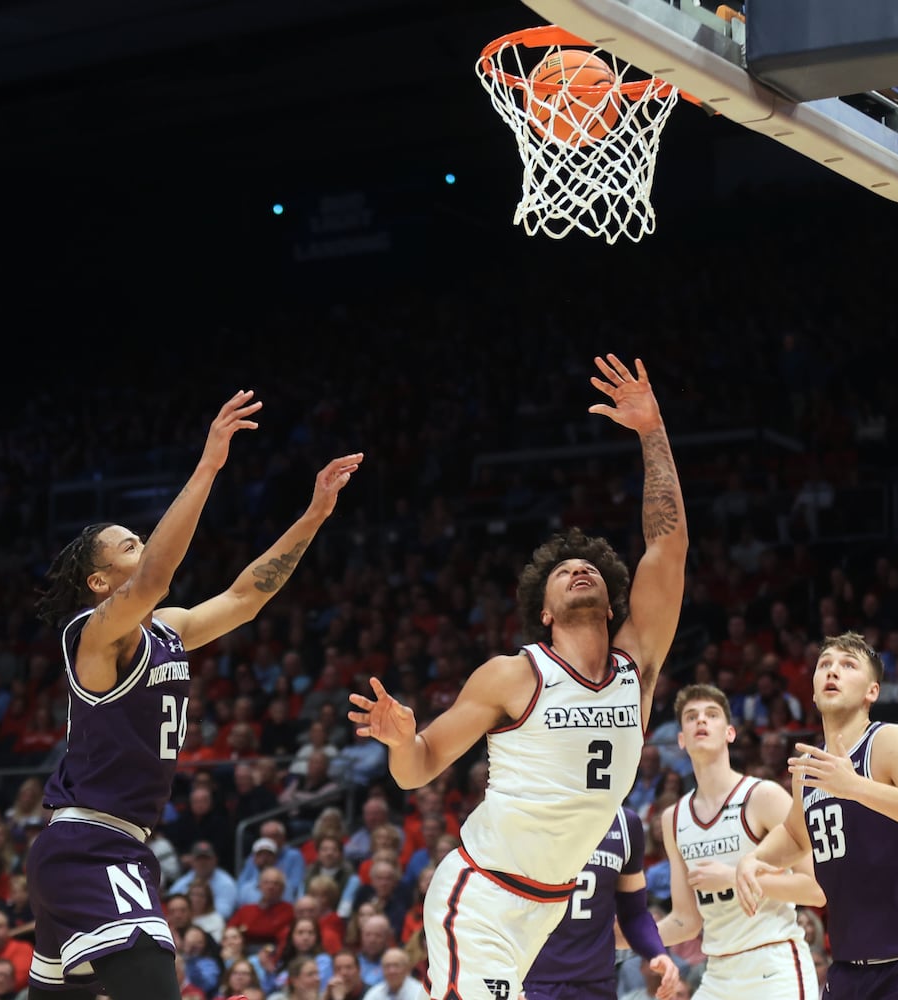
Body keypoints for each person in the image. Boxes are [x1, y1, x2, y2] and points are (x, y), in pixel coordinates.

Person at [349, 354, 688, 1000]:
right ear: (543, 607)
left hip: (548, 907)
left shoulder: (635, 668)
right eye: (564, 570)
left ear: (613, 600)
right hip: (483, 897)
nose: (578, 569)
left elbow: (667, 545)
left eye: (589, 566)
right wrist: (399, 739)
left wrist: (652, 432)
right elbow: (417, 770)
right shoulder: (513, 675)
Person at [26, 390, 361, 1000]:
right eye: (130, 545)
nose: (144, 548)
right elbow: (157, 574)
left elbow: (245, 597)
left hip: (107, 843)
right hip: (91, 844)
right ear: (101, 582)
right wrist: (209, 463)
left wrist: (314, 514)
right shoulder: (92, 634)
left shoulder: (169, 629)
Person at [736, 631, 898, 999]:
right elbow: (797, 835)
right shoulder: (810, 769)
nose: (833, 671)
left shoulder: (891, 741)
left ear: (871, 691)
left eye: (847, 665)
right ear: (812, 691)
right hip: (847, 971)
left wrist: (856, 786)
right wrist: (755, 858)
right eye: (825, 664)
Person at [655, 685, 823, 1000]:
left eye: (711, 714)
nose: (700, 721)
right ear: (681, 739)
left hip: (774, 964)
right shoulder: (673, 818)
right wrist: (622, 937)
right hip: (718, 972)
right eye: (691, 717)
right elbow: (685, 920)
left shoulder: (763, 796)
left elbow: (815, 890)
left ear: (730, 732)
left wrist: (734, 877)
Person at [524, 808, 681, 1000]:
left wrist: (656, 952)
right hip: (533, 983)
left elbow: (634, 913)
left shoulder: (625, 823)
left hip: (597, 986)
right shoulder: (528, 816)